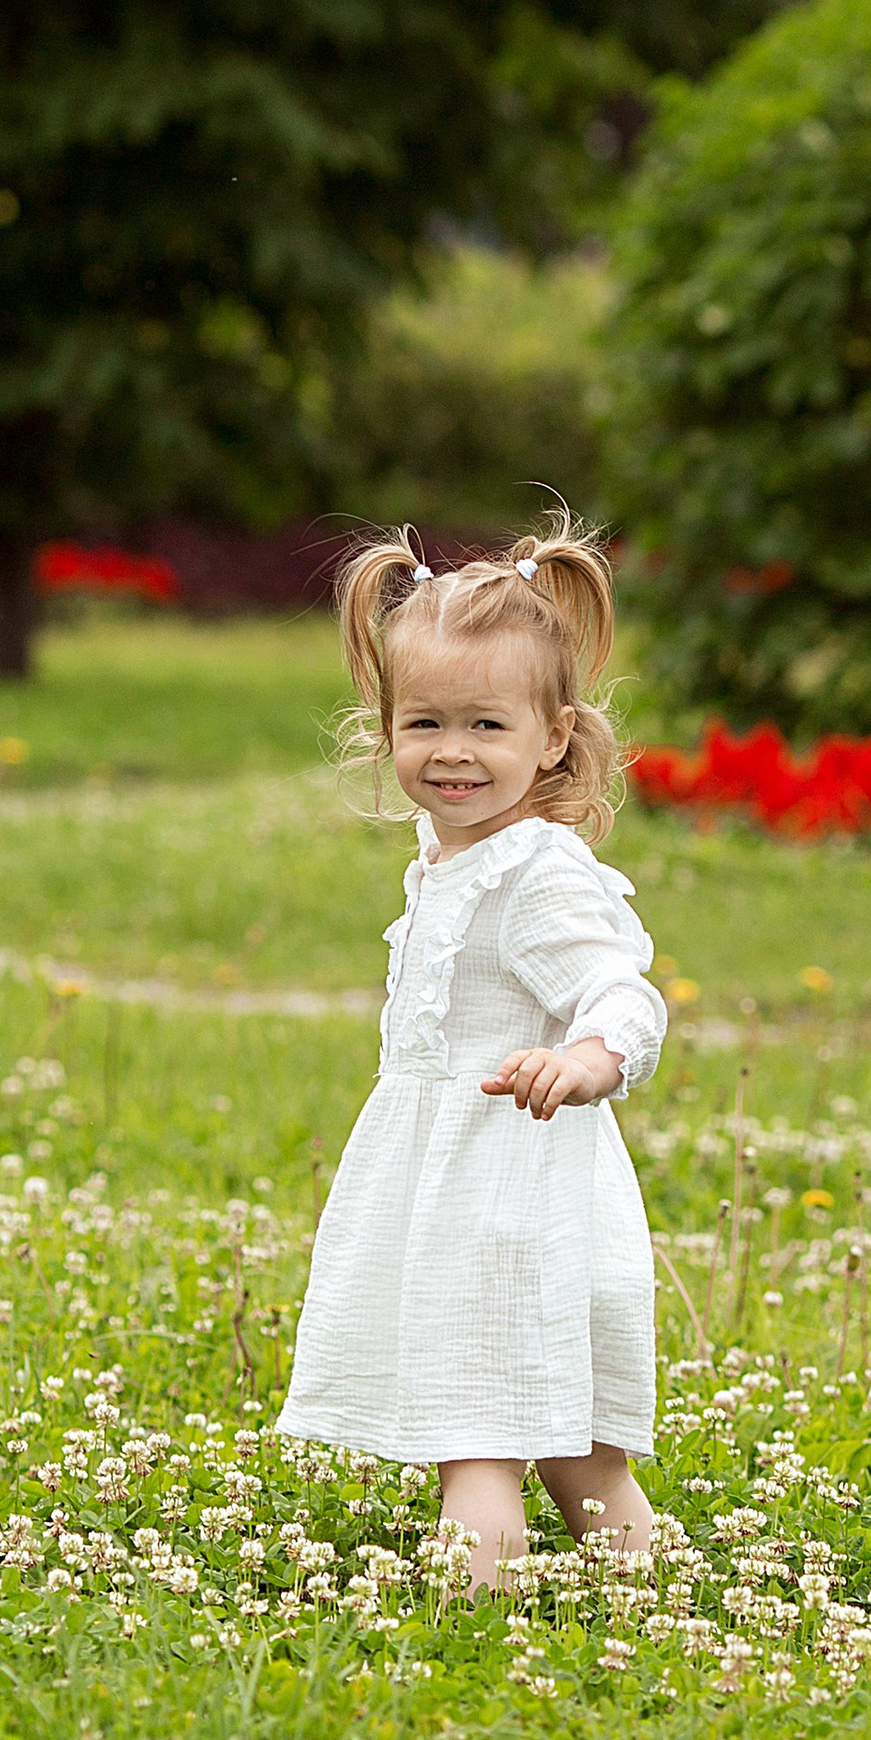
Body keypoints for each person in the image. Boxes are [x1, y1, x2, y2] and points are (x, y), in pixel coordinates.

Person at [277, 518, 664, 1586]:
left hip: (502, 1195)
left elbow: (620, 990)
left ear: (552, 738)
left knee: (477, 1437)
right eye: (425, 721)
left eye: (487, 723)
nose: (452, 749)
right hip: (473, 1192)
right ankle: (648, 1604)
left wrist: (592, 1058)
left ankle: (467, 1639)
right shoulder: (447, 858)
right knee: (579, 1449)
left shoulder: (534, 869)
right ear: (386, 726)